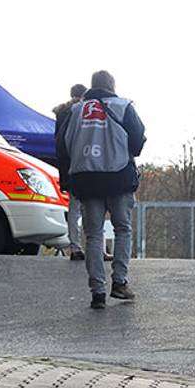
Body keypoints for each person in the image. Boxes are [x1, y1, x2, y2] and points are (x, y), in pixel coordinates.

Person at [56, 70, 146, 309]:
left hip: (87, 179)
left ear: (91, 87)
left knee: (93, 235)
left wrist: (68, 177)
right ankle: (119, 282)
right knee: (123, 229)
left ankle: (97, 292)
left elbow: (63, 145)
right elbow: (137, 143)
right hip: (118, 178)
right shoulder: (123, 107)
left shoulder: (75, 111)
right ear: (112, 86)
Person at [54, 84, 88, 261]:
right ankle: (96, 247)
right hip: (84, 162)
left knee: (74, 208)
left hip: (68, 166)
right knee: (92, 206)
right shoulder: (81, 111)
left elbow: (58, 142)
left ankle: (74, 246)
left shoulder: (61, 113)